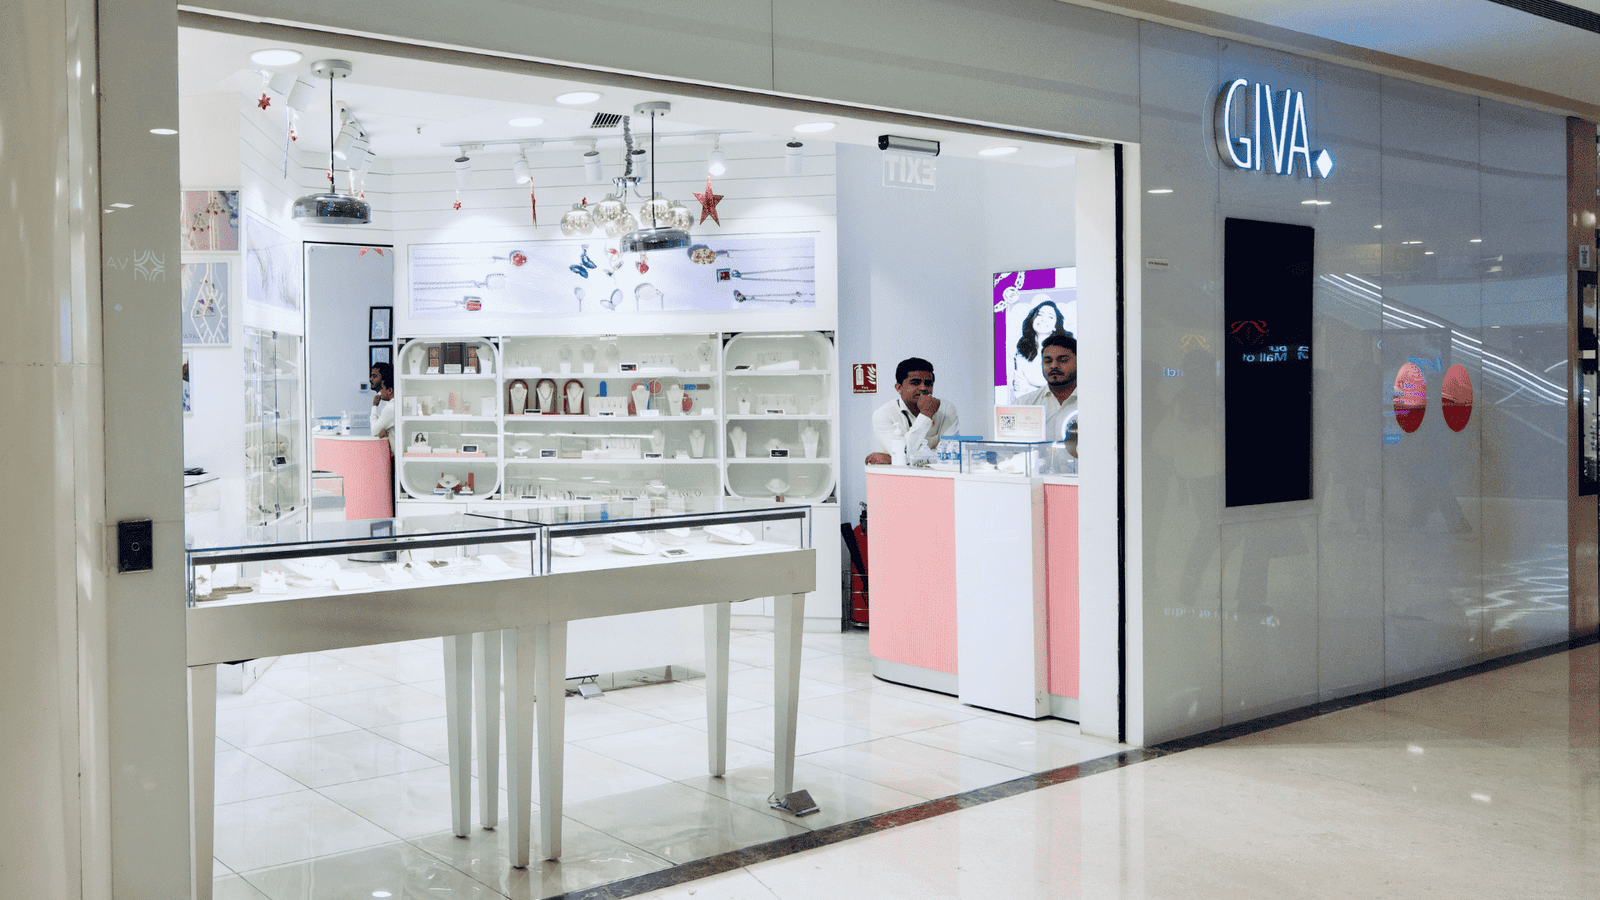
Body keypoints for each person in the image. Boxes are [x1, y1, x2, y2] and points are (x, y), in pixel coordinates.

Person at [867, 357, 959, 465]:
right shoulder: (883, 414)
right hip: (898, 475)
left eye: (928, 383)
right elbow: (903, 454)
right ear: (899, 388)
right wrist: (926, 415)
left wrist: (897, 459)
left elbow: (950, 455)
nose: (923, 388)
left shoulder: (946, 409)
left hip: (936, 474)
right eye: (915, 383)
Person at [1013, 333, 1076, 442]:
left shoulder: (1094, 404)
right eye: (1048, 361)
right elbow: (1009, 449)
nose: (1054, 366)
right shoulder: (1024, 405)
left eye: (1062, 360)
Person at [1011, 298, 1068, 397]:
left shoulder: (1064, 350)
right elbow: (1019, 386)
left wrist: (1030, 389)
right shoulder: (1022, 347)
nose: (1043, 319)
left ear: (1055, 326)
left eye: (1050, 317)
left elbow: (1062, 389)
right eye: (1040, 314)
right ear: (1033, 319)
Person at [369, 362, 396, 453]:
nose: (371, 379)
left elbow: (375, 430)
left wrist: (374, 407)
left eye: (374, 376)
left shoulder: (390, 404)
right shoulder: (381, 399)